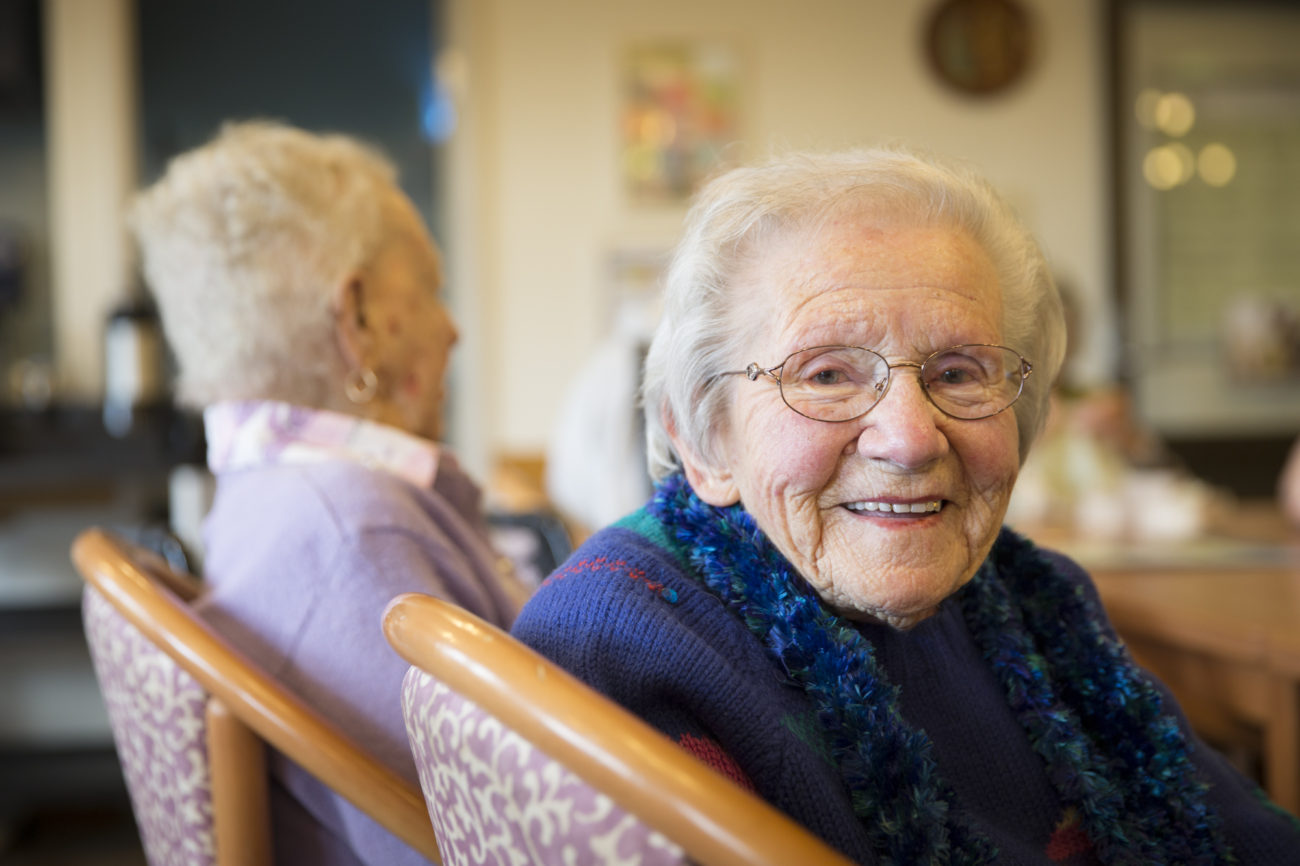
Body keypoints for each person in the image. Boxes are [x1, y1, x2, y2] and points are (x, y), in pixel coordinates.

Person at [511, 147, 1300, 864]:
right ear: (707, 440)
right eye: (826, 374)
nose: (911, 439)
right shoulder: (615, 646)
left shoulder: (1041, 601)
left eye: (959, 372)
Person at [130, 121, 524, 866]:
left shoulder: (273, 495)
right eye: (432, 289)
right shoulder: (352, 532)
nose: (453, 330)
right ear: (359, 322)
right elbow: (498, 837)